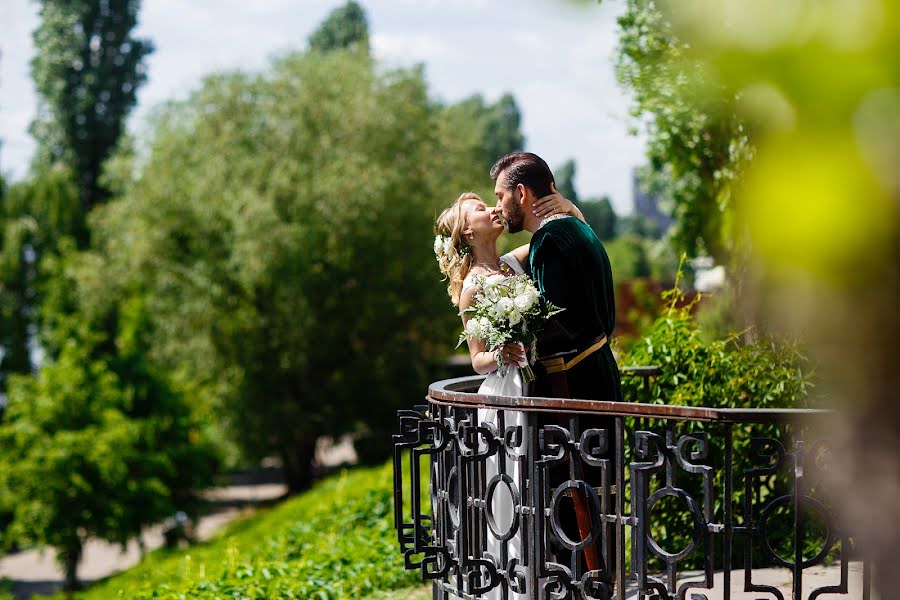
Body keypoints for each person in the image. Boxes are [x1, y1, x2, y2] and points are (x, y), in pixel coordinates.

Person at [433, 190, 580, 600]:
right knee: (511, 485)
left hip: (535, 384)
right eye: (480, 209)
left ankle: (548, 577)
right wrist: (502, 352)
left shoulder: (513, 262)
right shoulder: (472, 287)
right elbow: (477, 358)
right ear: (467, 229)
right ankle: (514, 586)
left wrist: (568, 209)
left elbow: (559, 233)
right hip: (505, 392)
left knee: (541, 481)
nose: (492, 209)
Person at [490, 151, 621, 594]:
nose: (498, 205)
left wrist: (516, 341)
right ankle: (595, 579)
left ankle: (586, 586)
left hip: (574, 384)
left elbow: (557, 318)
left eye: (501, 195)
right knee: (592, 494)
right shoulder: (572, 229)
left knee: (573, 497)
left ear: (521, 194)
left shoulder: (551, 240)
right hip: (596, 374)